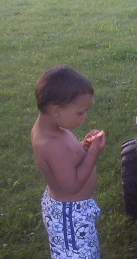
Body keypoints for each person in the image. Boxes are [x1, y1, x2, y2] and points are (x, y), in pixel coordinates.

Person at [31, 65, 106, 259]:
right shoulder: (50, 143)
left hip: (75, 210)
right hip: (70, 216)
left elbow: (69, 157)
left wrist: (85, 146)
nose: (85, 116)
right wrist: (93, 155)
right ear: (57, 111)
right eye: (80, 113)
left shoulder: (57, 129)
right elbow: (71, 185)